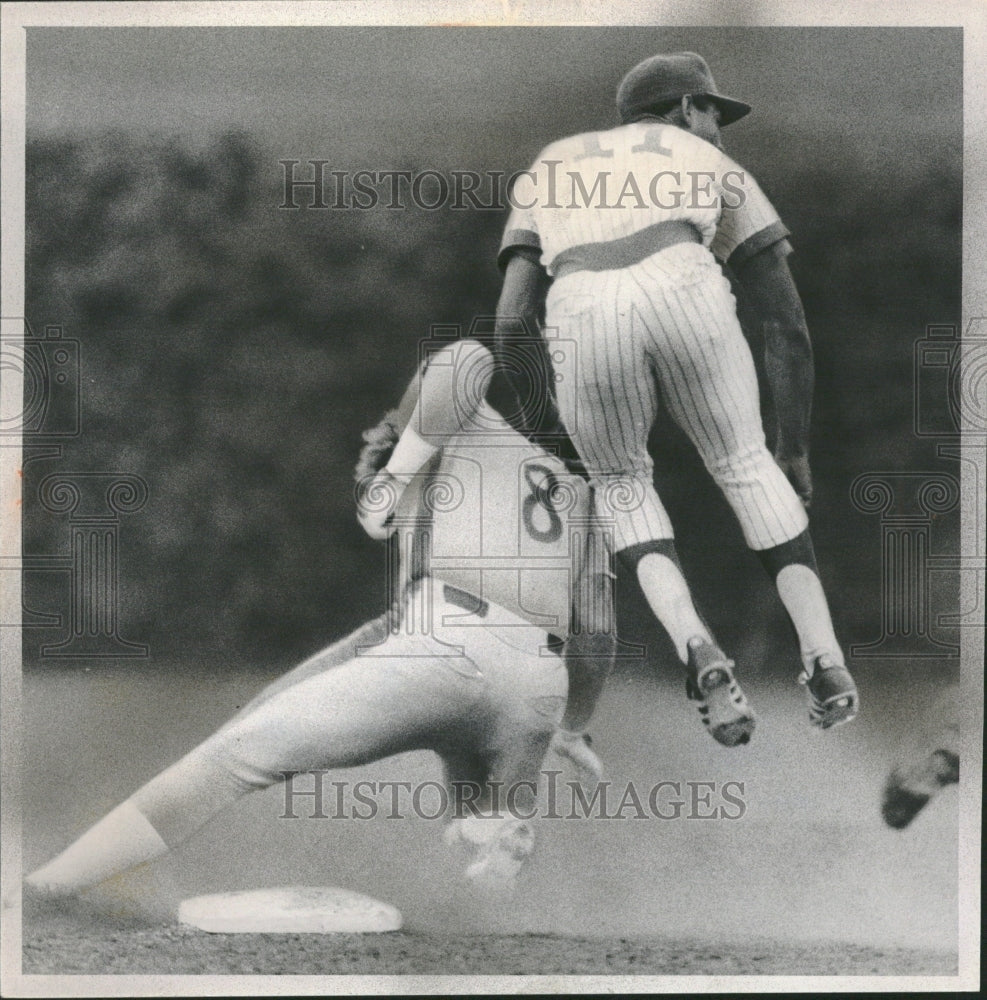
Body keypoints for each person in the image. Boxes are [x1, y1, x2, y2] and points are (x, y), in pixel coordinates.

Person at [24, 338, 615, 902]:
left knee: (230, 758)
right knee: (479, 815)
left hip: (449, 649)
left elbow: (464, 359)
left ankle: (48, 889)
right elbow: (597, 640)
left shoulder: (458, 433)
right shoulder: (581, 496)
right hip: (538, 684)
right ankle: (498, 842)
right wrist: (570, 726)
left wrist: (391, 478)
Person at [493, 51, 858, 731]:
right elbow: (785, 323)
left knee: (621, 484)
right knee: (746, 466)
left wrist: (548, 430)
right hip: (682, 278)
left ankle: (697, 647)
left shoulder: (549, 162)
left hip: (578, 302)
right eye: (714, 113)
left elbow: (512, 320)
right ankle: (824, 656)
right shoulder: (710, 160)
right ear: (686, 109)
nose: (718, 129)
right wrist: (793, 448)